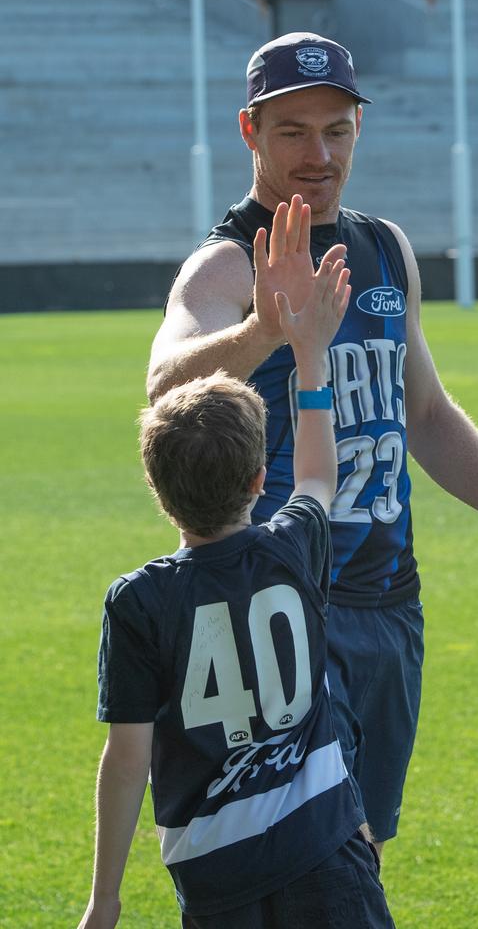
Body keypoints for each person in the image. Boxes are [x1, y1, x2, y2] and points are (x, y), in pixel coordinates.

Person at [147, 32, 478, 857]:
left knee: (364, 855)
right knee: (300, 865)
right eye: (293, 132)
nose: (318, 155)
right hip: (277, 609)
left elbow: (423, 412)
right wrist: (261, 330)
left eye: (337, 130)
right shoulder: (226, 265)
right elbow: (163, 389)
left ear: (358, 127)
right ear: (250, 132)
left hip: (390, 604)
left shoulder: (383, 248)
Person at [78, 235, 396, 928]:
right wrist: (310, 353)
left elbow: (127, 761)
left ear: (157, 489)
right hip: (327, 850)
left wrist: (105, 900)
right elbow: (316, 475)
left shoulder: (138, 600)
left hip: (217, 871)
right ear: (259, 481)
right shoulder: (294, 546)